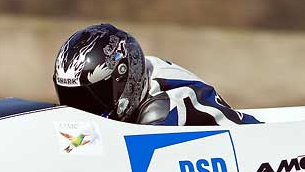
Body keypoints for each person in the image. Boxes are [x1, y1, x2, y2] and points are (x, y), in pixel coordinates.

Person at [53, 23, 261, 126]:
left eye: (91, 99)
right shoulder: (137, 65)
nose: (81, 110)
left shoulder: (163, 109)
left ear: (124, 80)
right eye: (72, 98)